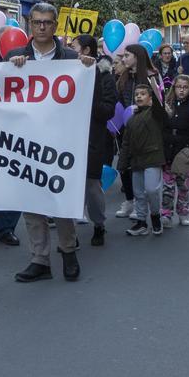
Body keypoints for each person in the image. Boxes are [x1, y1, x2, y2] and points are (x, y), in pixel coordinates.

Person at [2, 3, 81, 280]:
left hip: (59, 142)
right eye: (37, 22)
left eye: (47, 22)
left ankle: (68, 251)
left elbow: (84, 96)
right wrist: (11, 70)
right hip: (25, 142)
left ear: (55, 25)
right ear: (30, 25)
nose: (42, 27)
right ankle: (40, 260)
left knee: (60, 200)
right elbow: (0, 96)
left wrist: (90, 68)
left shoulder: (71, 58)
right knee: (32, 202)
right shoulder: (15, 57)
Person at [67, 33, 117, 247]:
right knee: (68, 188)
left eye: (74, 47)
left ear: (86, 51)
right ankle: (69, 234)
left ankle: (99, 224)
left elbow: (107, 110)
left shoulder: (104, 77)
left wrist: (88, 100)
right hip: (67, 139)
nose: (70, 50)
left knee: (91, 186)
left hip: (92, 140)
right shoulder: (66, 73)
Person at [113, 43, 162, 219]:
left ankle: (141, 206)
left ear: (137, 57)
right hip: (124, 129)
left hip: (144, 128)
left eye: (127, 56)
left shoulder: (151, 76)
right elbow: (118, 100)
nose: (123, 59)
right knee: (124, 165)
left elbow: (158, 103)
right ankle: (129, 200)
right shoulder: (122, 76)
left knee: (139, 167)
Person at [117, 83, 168, 236]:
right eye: (137, 94)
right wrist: (122, 162)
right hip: (136, 161)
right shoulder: (131, 119)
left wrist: (153, 83)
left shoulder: (155, 113)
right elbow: (125, 143)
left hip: (153, 157)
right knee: (138, 193)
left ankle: (155, 216)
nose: (139, 96)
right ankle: (141, 222)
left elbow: (160, 105)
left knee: (152, 190)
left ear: (150, 98)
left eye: (143, 94)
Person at [160, 74, 189, 227]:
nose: (181, 90)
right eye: (178, 87)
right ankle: (166, 213)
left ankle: (183, 212)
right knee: (167, 186)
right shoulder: (168, 104)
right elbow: (161, 127)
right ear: (174, 88)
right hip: (169, 149)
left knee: (183, 186)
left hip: (184, 151)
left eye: (185, 87)